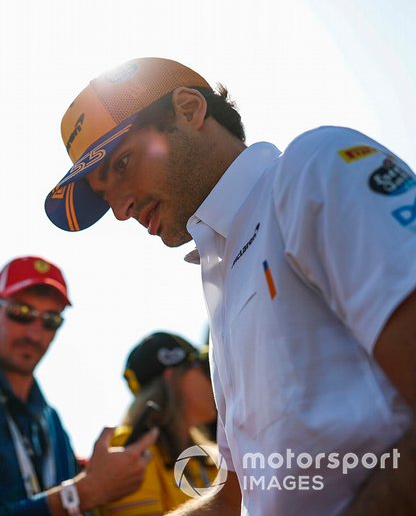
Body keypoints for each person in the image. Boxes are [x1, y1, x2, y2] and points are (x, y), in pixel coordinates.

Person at [43, 57, 415, 514]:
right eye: (104, 195)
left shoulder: (310, 168)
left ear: (189, 109)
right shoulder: (221, 278)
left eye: (122, 164)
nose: (120, 209)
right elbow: (236, 499)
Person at [0, 255, 156, 515]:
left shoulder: (51, 421)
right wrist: (80, 495)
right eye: (21, 313)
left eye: (50, 320)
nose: (35, 333)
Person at [102, 331, 218, 515]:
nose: (215, 379)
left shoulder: (211, 456)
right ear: (173, 376)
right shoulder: (129, 448)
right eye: (205, 367)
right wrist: (226, 499)